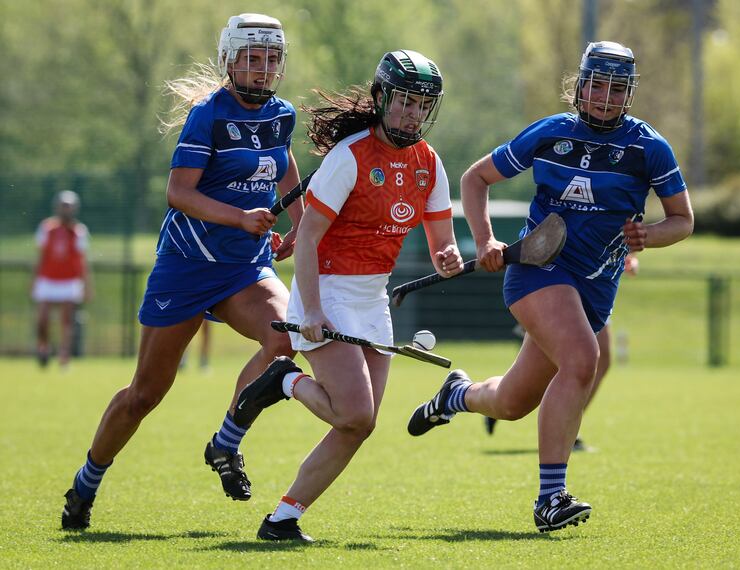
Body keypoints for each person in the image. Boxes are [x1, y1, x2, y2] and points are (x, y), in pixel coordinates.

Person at [407, 41, 693, 533]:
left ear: (629, 93)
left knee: (513, 403)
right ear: (579, 86)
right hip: (538, 271)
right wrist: (486, 239)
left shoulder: (649, 148)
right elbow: (476, 179)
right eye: (597, 85)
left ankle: (456, 396)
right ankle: (550, 498)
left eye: (616, 87)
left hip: (596, 288)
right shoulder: (551, 134)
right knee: (584, 360)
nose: (605, 96)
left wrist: (650, 236)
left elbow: (683, 220)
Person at [61, 13, 303, 530]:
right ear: (230, 62)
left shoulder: (282, 115)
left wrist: (299, 226)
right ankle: (85, 483)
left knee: (285, 340)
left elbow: (284, 168)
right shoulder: (207, 116)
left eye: (271, 60)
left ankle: (225, 443)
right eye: (252, 59)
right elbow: (179, 193)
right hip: (188, 268)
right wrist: (241, 216)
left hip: (244, 267)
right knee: (144, 394)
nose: (263, 70)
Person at [236, 49, 462, 543]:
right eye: (403, 100)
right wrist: (312, 309)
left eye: (421, 105)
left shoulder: (428, 164)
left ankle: (282, 519)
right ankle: (285, 383)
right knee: (355, 412)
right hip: (328, 291)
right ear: (381, 98)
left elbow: (442, 242)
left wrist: (448, 259)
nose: (411, 113)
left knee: (359, 425)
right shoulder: (350, 157)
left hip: (371, 299)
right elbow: (309, 240)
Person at [484, 252, 640, 451]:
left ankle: (565, 426)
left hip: (597, 282)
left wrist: (629, 256)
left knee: (597, 360)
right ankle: (500, 394)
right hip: (562, 276)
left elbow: (624, 231)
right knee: (570, 362)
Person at [32, 190, 92, 370]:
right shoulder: (46, 228)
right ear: (57, 207)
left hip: (69, 280)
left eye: (69, 206)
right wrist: (34, 280)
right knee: (42, 319)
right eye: (64, 206)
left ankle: (64, 356)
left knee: (66, 320)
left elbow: (83, 261)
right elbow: (40, 256)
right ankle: (43, 349)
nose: (66, 209)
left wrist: (87, 285)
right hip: (47, 278)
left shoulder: (79, 231)